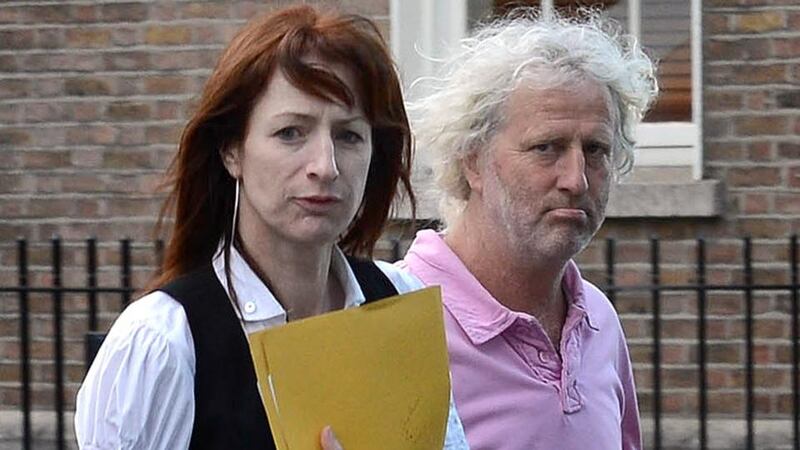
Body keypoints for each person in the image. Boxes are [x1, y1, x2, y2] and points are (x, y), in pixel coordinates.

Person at [74, 5, 467, 449]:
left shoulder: (400, 299)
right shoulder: (164, 342)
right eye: (291, 133)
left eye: (349, 135)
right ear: (232, 151)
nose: (326, 166)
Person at [398, 8, 658, 450]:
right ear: (472, 161)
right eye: (547, 148)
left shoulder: (598, 320)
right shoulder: (398, 322)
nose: (576, 178)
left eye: (595, 150)